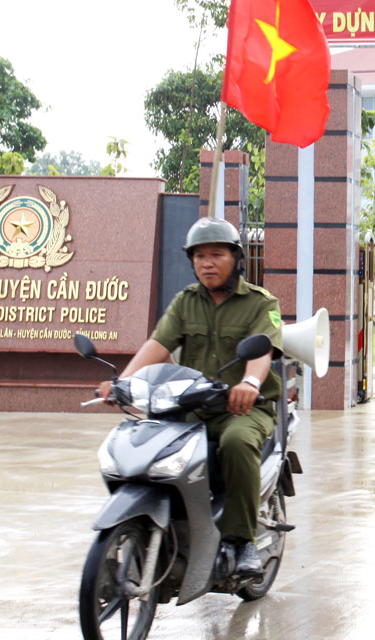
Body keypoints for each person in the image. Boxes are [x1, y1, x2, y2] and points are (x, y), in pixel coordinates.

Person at [96, 217, 283, 578]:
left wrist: (250, 384)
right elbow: (159, 344)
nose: (206, 263)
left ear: (236, 259)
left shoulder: (261, 303)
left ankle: (241, 542)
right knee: (147, 441)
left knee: (237, 444)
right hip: (191, 406)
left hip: (242, 409)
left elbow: (263, 352)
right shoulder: (185, 302)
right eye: (199, 256)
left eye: (216, 254)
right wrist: (122, 380)